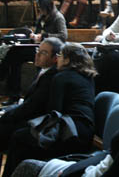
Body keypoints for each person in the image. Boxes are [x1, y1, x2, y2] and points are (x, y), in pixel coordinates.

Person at [2, 42, 97, 177]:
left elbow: (53, 112)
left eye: (60, 56)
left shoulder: (61, 77)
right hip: (85, 132)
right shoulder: (88, 77)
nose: (58, 59)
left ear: (67, 60)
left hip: (69, 132)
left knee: (20, 138)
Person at [0, 38, 63, 164]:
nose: (37, 55)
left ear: (55, 58)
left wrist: (6, 115)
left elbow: (32, 107)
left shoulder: (52, 76)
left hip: (39, 122)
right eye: (37, 50)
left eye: (43, 53)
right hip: (30, 115)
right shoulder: (44, 71)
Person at [0, 0, 67, 105]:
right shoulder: (42, 17)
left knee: (14, 54)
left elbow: (63, 35)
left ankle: (2, 74)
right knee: (14, 54)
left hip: (50, 50)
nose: (40, 10)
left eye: (41, 7)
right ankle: (13, 94)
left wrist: (44, 36)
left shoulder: (58, 17)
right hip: (37, 46)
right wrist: (33, 35)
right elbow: (37, 32)